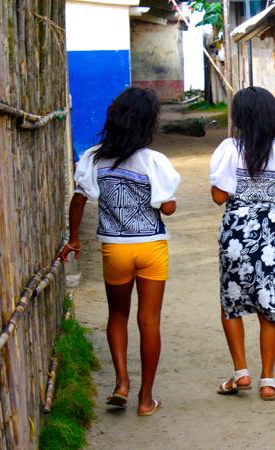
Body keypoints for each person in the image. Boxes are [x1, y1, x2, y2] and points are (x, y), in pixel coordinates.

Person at [57, 87, 180, 416]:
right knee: (149, 322)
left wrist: (74, 240)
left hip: (115, 249)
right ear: (147, 124)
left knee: (118, 316)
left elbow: (80, 198)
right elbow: (167, 208)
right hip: (151, 246)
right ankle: (146, 398)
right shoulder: (154, 161)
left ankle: (122, 383)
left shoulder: (94, 158)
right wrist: (167, 200)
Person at [209, 87, 275, 401]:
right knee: (270, 309)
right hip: (271, 235)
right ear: (272, 116)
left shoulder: (229, 149)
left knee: (231, 303)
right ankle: (268, 380)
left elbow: (218, 197)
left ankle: (241, 373)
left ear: (239, 117)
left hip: (236, 236)